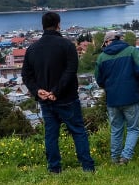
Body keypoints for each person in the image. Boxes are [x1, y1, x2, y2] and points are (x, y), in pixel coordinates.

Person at [21, 11, 95, 173]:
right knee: (78, 131)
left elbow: (26, 75)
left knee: (51, 135)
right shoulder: (67, 45)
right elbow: (70, 71)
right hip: (66, 97)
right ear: (58, 24)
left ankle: (54, 168)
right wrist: (56, 91)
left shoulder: (32, 49)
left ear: (42, 25)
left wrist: (37, 90)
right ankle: (87, 167)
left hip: (45, 100)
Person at [95, 30, 139, 165]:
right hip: (131, 96)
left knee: (116, 129)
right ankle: (126, 157)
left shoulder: (101, 57)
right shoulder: (131, 51)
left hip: (112, 98)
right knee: (133, 128)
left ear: (107, 42)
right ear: (119, 39)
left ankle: (114, 158)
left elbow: (99, 80)